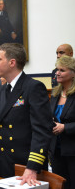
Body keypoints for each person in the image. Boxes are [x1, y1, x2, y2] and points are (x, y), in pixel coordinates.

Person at [0, 43, 53, 186]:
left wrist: (32, 167)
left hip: (26, 167)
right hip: (4, 164)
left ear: (12, 62)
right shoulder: (2, 89)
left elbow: (42, 131)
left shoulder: (33, 87)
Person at [49, 55, 75, 189]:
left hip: (72, 151)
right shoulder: (55, 93)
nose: (57, 73)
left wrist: (65, 127)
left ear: (73, 73)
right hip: (56, 151)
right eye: (57, 69)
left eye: (62, 70)